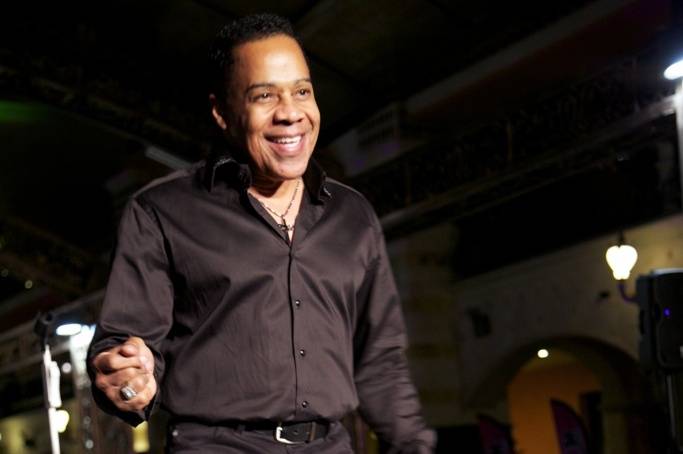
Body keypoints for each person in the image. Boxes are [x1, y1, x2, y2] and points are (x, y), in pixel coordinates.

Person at [87, 13, 436, 453]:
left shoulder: (353, 216)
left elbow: (380, 360)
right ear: (223, 112)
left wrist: (413, 445)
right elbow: (125, 347)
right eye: (265, 96)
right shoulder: (161, 211)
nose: (290, 113)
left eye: (302, 92)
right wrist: (127, 378)